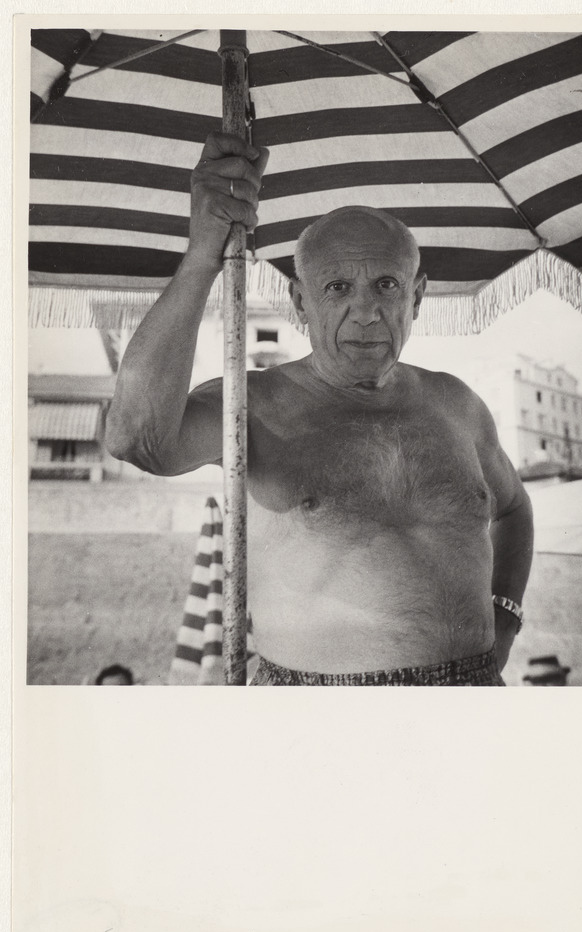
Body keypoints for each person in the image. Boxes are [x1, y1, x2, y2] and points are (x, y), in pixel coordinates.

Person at [106, 133, 534, 686]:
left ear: (417, 296)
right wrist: (202, 256)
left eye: (386, 285)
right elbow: (136, 439)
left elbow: (513, 508)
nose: (366, 311)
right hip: (314, 708)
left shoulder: (457, 404)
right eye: (337, 287)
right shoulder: (251, 405)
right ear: (300, 302)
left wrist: (506, 615)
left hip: (472, 695)